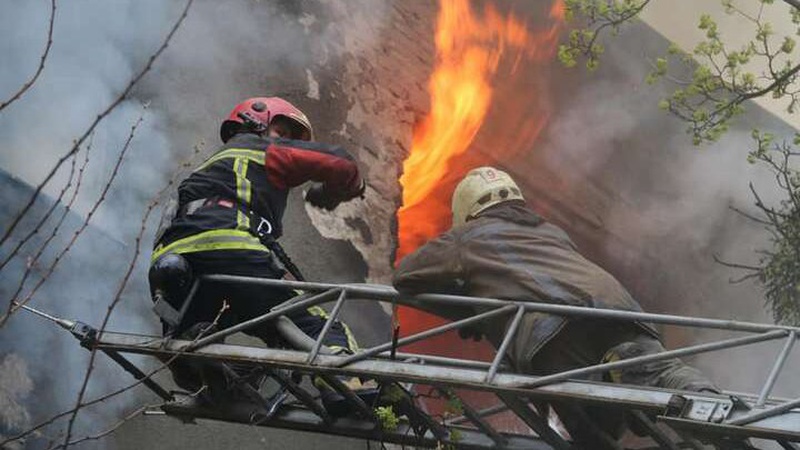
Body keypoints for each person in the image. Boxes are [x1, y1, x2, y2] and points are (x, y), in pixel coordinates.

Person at [392, 166, 719, 445]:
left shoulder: (468, 236)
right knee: (663, 375)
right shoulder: (550, 231)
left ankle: (614, 379)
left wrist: (474, 311)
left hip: (554, 327)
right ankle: (712, 406)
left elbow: (405, 277)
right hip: (619, 309)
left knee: (590, 432)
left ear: (466, 211)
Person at [148, 96, 365, 408]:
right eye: (283, 132)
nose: (289, 143)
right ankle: (356, 386)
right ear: (258, 123)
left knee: (209, 336)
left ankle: (210, 369)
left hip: (174, 268)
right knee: (313, 322)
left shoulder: (206, 170)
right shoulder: (261, 149)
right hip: (229, 248)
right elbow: (341, 163)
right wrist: (341, 190)